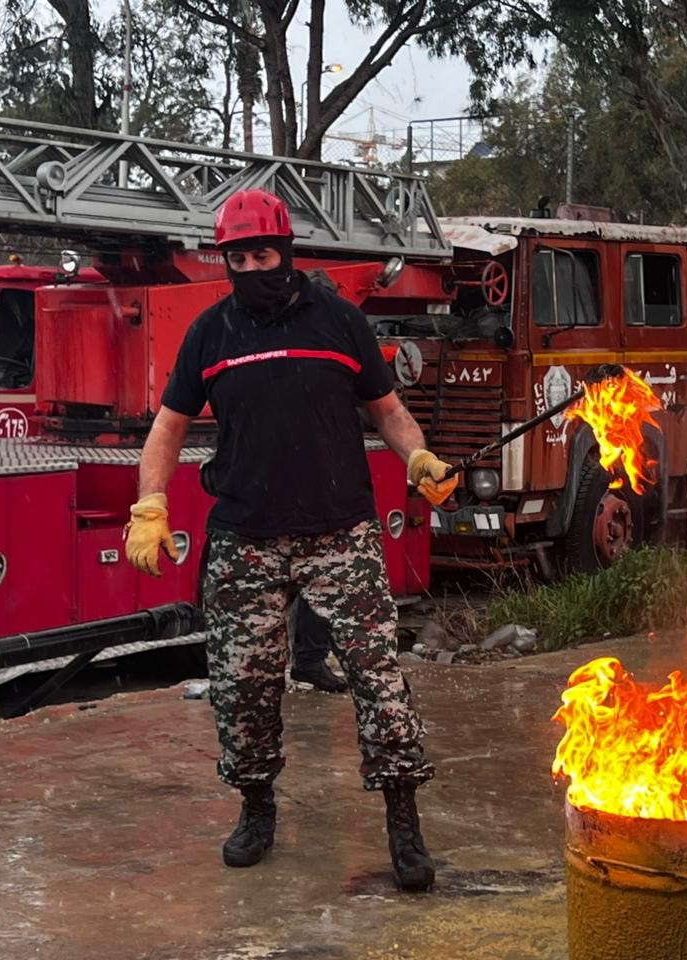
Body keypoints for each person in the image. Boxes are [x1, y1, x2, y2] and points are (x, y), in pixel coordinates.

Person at [123, 188, 457, 891]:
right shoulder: (210, 334)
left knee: (379, 682)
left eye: (262, 255)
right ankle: (256, 808)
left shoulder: (339, 321)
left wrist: (419, 457)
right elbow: (167, 428)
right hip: (246, 539)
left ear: (286, 252)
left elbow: (388, 411)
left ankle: (404, 822)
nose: (251, 269)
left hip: (341, 533)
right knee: (242, 688)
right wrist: (150, 504)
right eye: (238, 259)